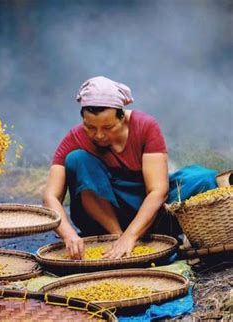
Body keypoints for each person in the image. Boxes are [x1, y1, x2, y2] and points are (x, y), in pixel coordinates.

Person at [43, 76, 217, 260]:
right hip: (106, 213)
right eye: (90, 127)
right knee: (77, 159)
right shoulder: (75, 138)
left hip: (150, 211)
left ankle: (144, 233)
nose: (99, 135)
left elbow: (158, 191)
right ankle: (114, 235)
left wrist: (131, 236)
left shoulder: (145, 126)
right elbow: (50, 197)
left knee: (203, 178)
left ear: (122, 116)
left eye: (108, 127)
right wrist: (69, 234)